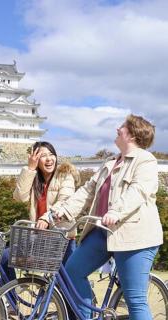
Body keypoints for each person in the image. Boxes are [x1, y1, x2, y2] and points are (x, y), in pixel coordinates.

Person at [50, 114, 163, 320]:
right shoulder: (110, 163)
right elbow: (87, 191)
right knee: (73, 272)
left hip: (134, 237)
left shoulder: (146, 160)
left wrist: (115, 212)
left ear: (132, 135)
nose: (117, 129)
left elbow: (138, 191)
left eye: (122, 127)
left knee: (135, 300)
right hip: (103, 232)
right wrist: (64, 211)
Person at [0, 141, 80, 281]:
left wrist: (46, 218)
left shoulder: (65, 175)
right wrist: (30, 169)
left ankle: (79, 301)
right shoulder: (34, 179)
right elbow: (19, 197)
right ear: (36, 159)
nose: (49, 159)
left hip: (62, 238)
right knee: (4, 258)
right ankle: (11, 299)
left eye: (51, 154)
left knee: (67, 283)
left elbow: (65, 201)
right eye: (43, 156)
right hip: (40, 238)